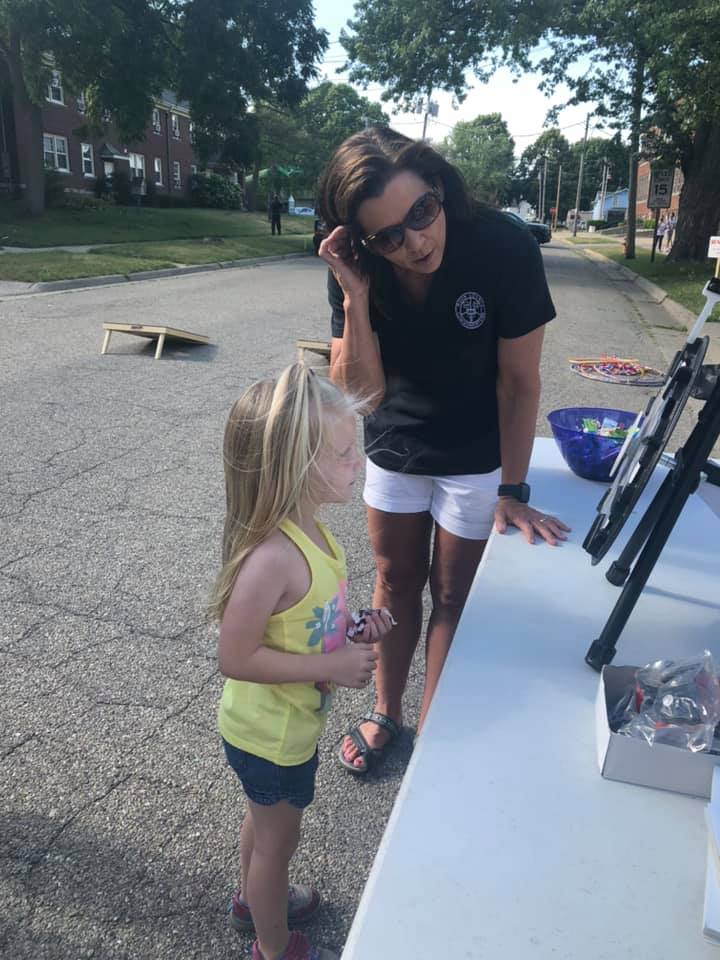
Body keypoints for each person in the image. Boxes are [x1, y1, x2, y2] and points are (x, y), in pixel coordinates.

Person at [316, 126, 570, 776]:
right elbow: (360, 397)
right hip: (395, 442)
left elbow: (519, 383)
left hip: (475, 448)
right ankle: (386, 712)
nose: (415, 241)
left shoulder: (504, 247)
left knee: (452, 594)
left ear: (439, 190)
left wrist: (512, 490)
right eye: (389, 236)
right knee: (396, 580)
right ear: (363, 239)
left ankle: (431, 735)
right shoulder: (359, 268)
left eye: (421, 214)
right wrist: (356, 294)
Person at [210, 363, 395, 960]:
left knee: (265, 829)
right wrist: (335, 667)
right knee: (276, 845)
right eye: (343, 454)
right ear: (293, 466)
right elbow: (234, 656)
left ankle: (251, 898)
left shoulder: (314, 532)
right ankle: (271, 944)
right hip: (270, 734)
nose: (357, 464)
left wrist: (351, 631)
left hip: (286, 728)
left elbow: (305, 625)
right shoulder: (271, 557)